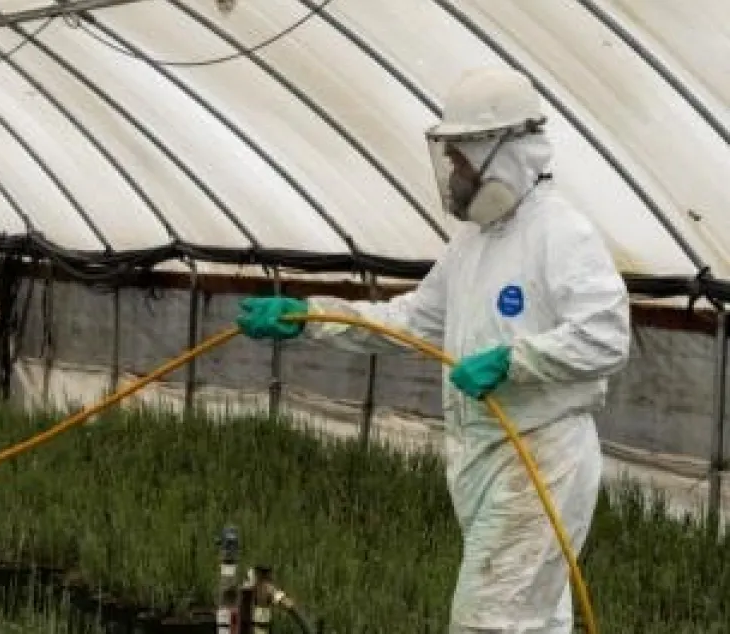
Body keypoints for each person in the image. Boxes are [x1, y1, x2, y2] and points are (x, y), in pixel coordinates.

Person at [234, 66, 629, 633]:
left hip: (540, 458)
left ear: (502, 153)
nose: (454, 173)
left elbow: (606, 337)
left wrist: (514, 361)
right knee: (530, 620)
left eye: (462, 158)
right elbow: (411, 321)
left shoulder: (561, 234)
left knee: (488, 620)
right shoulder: (471, 244)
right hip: (483, 457)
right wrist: (310, 316)